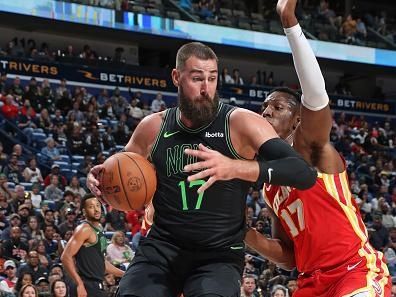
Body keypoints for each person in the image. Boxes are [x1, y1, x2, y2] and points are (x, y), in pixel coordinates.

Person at [87, 42, 316, 297]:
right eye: (197, 78)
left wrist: (236, 167)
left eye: (212, 78)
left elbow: (303, 173)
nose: (206, 87)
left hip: (218, 255)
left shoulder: (240, 123)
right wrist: (99, 180)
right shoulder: (153, 127)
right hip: (162, 248)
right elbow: (118, 172)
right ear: (176, 77)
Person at [244, 0, 391, 296]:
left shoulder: (309, 147)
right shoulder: (269, 187)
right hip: (312, 282)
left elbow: (315, 94)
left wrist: (289, 23)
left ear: (298, 119)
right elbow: (288, 256)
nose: (266, 111)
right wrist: (243, 233)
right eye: (263, 107)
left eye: (277, 106)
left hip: (354, 270)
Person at [61, 194, 124, 297]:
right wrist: (79, 284)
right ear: (84, 212)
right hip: (86, 284)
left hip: (96, 285)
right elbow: (65, 256)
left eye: (98, 206)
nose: (96, 210)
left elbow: (101, 263)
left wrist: (124, 274)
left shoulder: (99, 228)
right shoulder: (84, 229)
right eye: (91, 207)